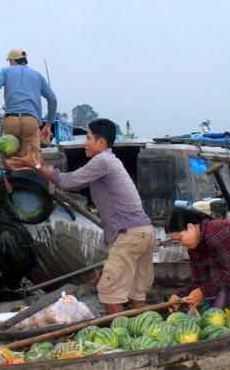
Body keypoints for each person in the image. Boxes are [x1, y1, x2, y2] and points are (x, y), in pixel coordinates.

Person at [8, 118, 153, 313]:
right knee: (136, 290)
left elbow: (69, 182)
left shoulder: (102, 161)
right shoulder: (112, 161)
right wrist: (42, 169)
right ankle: (139, 331)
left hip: (130, 235)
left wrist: (36, 167)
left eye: (89, 138)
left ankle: (122, 333)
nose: (86, 143)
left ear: (101, 143)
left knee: (108, 290)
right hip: (145, 231)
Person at [0, 48, 58, 161]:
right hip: (31, 121)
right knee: (32, 159)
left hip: (11, 120)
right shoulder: (38, 75)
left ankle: (13, 177)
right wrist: (48, 126)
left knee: (10, 158)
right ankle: (30, 176)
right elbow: (53, 100)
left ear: (12, 61)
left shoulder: (5, 71)